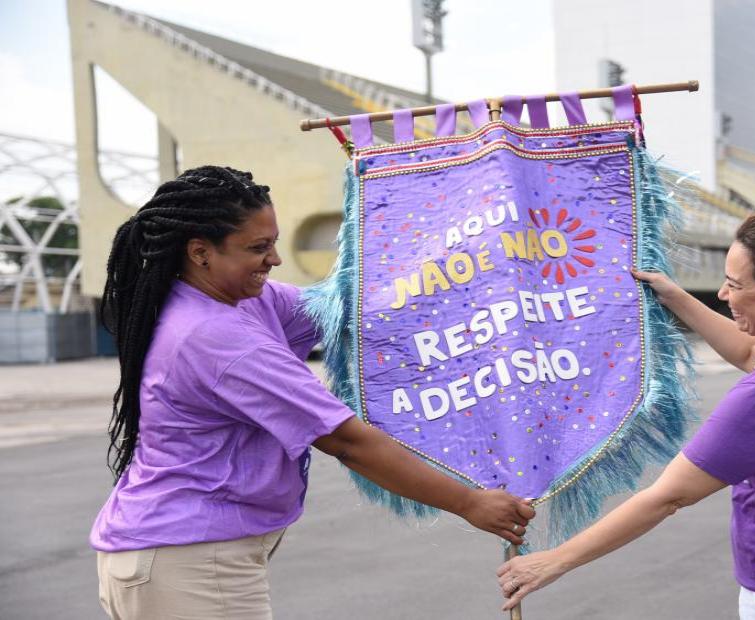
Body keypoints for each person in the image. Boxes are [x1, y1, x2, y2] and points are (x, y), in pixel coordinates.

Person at [91, 165, 534, 619]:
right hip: (189, 564)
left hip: (184, 556)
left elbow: (346, 309)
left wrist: (466, 265)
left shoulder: (240, 298)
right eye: (259, 248)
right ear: (201, 252)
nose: (275, 259)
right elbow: (345, 441)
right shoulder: (216, 338)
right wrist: (470, 502)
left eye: (274, 242)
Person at [497, 212, 755, 619]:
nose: (723, 294)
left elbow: (669, 496)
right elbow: (748, 352)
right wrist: (674, 296)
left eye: (736, 285)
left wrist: (554, 560)